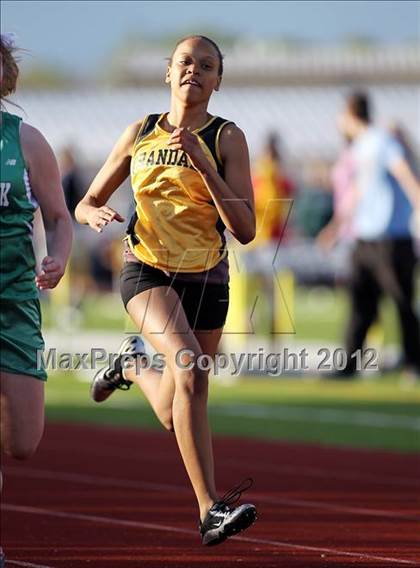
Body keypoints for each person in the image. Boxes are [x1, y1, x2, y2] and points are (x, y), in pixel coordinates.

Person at [75, 35, 257, 546]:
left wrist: (201, 161)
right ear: (168, 72)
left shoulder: (227, 138)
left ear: (218, 80)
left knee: (175, 404)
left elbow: (245, 228)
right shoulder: (141, 131)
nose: (193, 71)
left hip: (208, 279)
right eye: (184, 62)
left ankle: (131, 363)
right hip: (147, 271)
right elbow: (87, 200)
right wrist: (92, 213)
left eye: (206, 65)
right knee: (193, 373)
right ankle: (210, 511)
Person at [0, 34, 73, 566]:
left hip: (14, 304)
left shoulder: (26, 142)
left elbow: (58, 217)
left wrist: (59, 257)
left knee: (22, 441)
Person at [332, 91, 420, 378]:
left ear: (350, 114)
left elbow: (405, 174)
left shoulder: (382, 141)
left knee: (402, 302)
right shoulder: (360, 147)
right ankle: (348, 366)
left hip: (391, 239)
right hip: (365, 237)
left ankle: (414, 363)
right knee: (360, 302)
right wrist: (335, 227)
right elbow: (359, 190)